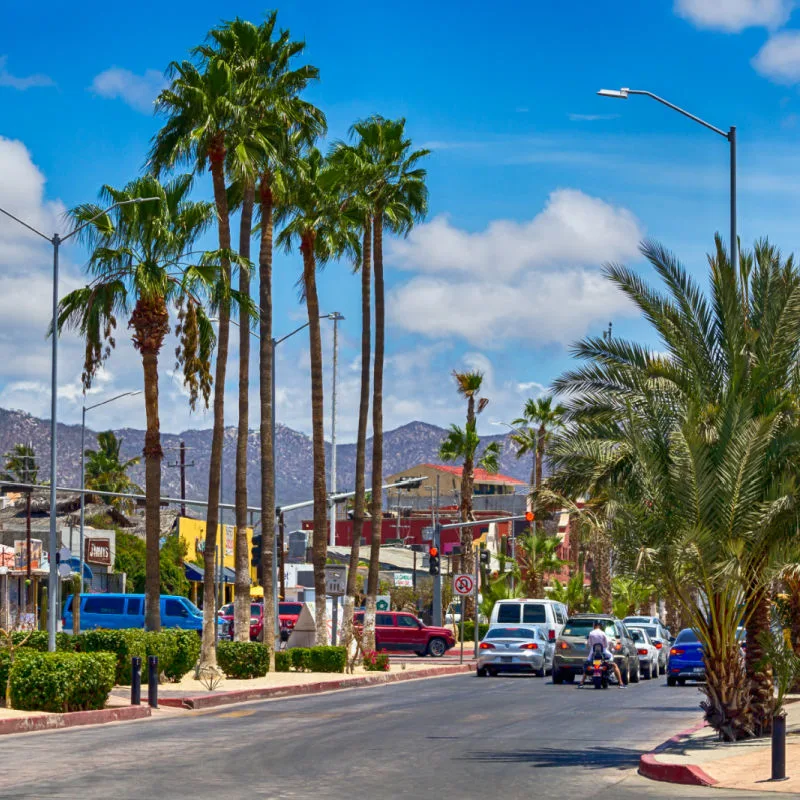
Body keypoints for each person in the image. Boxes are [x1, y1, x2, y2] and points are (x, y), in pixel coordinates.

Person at [579, 620, 625, 688]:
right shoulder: (603, 633)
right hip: (604, 652)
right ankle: (621, 683)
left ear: (594, 625)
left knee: (588, 664)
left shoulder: (591, 633)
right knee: (614, 664)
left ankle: (581, 683)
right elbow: (606, 644)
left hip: (593, 653)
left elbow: (589, 644)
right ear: (600, 626)